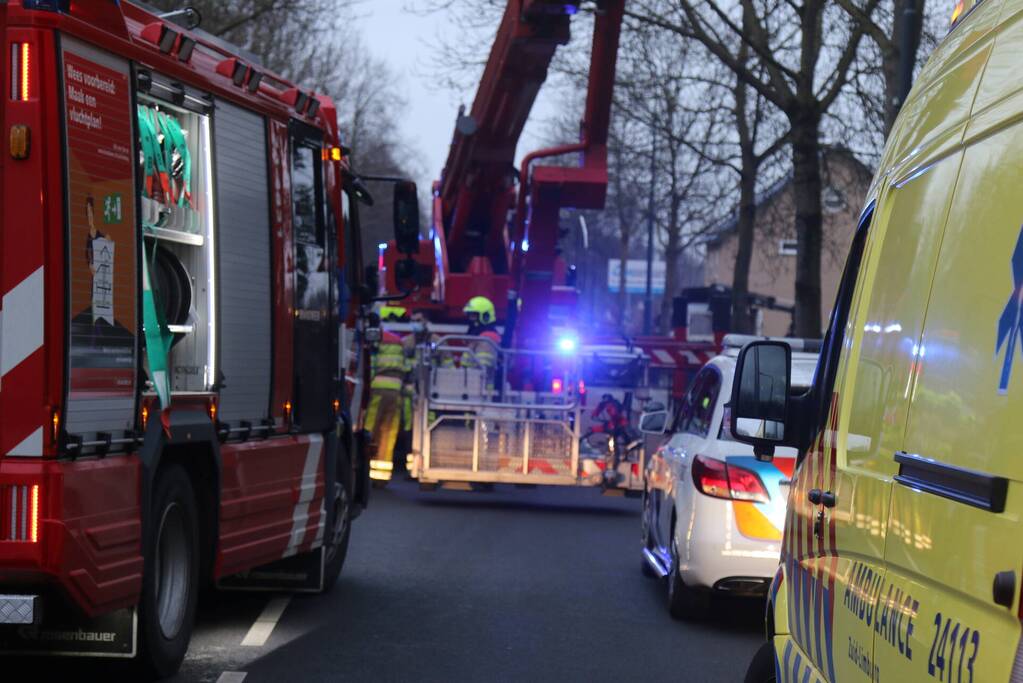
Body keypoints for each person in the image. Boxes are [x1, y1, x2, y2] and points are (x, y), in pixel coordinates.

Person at [366, 305, 411, 486]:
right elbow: (405, 367)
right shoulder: (398, 341)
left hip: (377, 391)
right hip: (396, 392)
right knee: (388, 433)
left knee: (368, 430)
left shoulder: (376, 338)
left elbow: (371, 364)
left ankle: (361, 469)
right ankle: (381, 478)